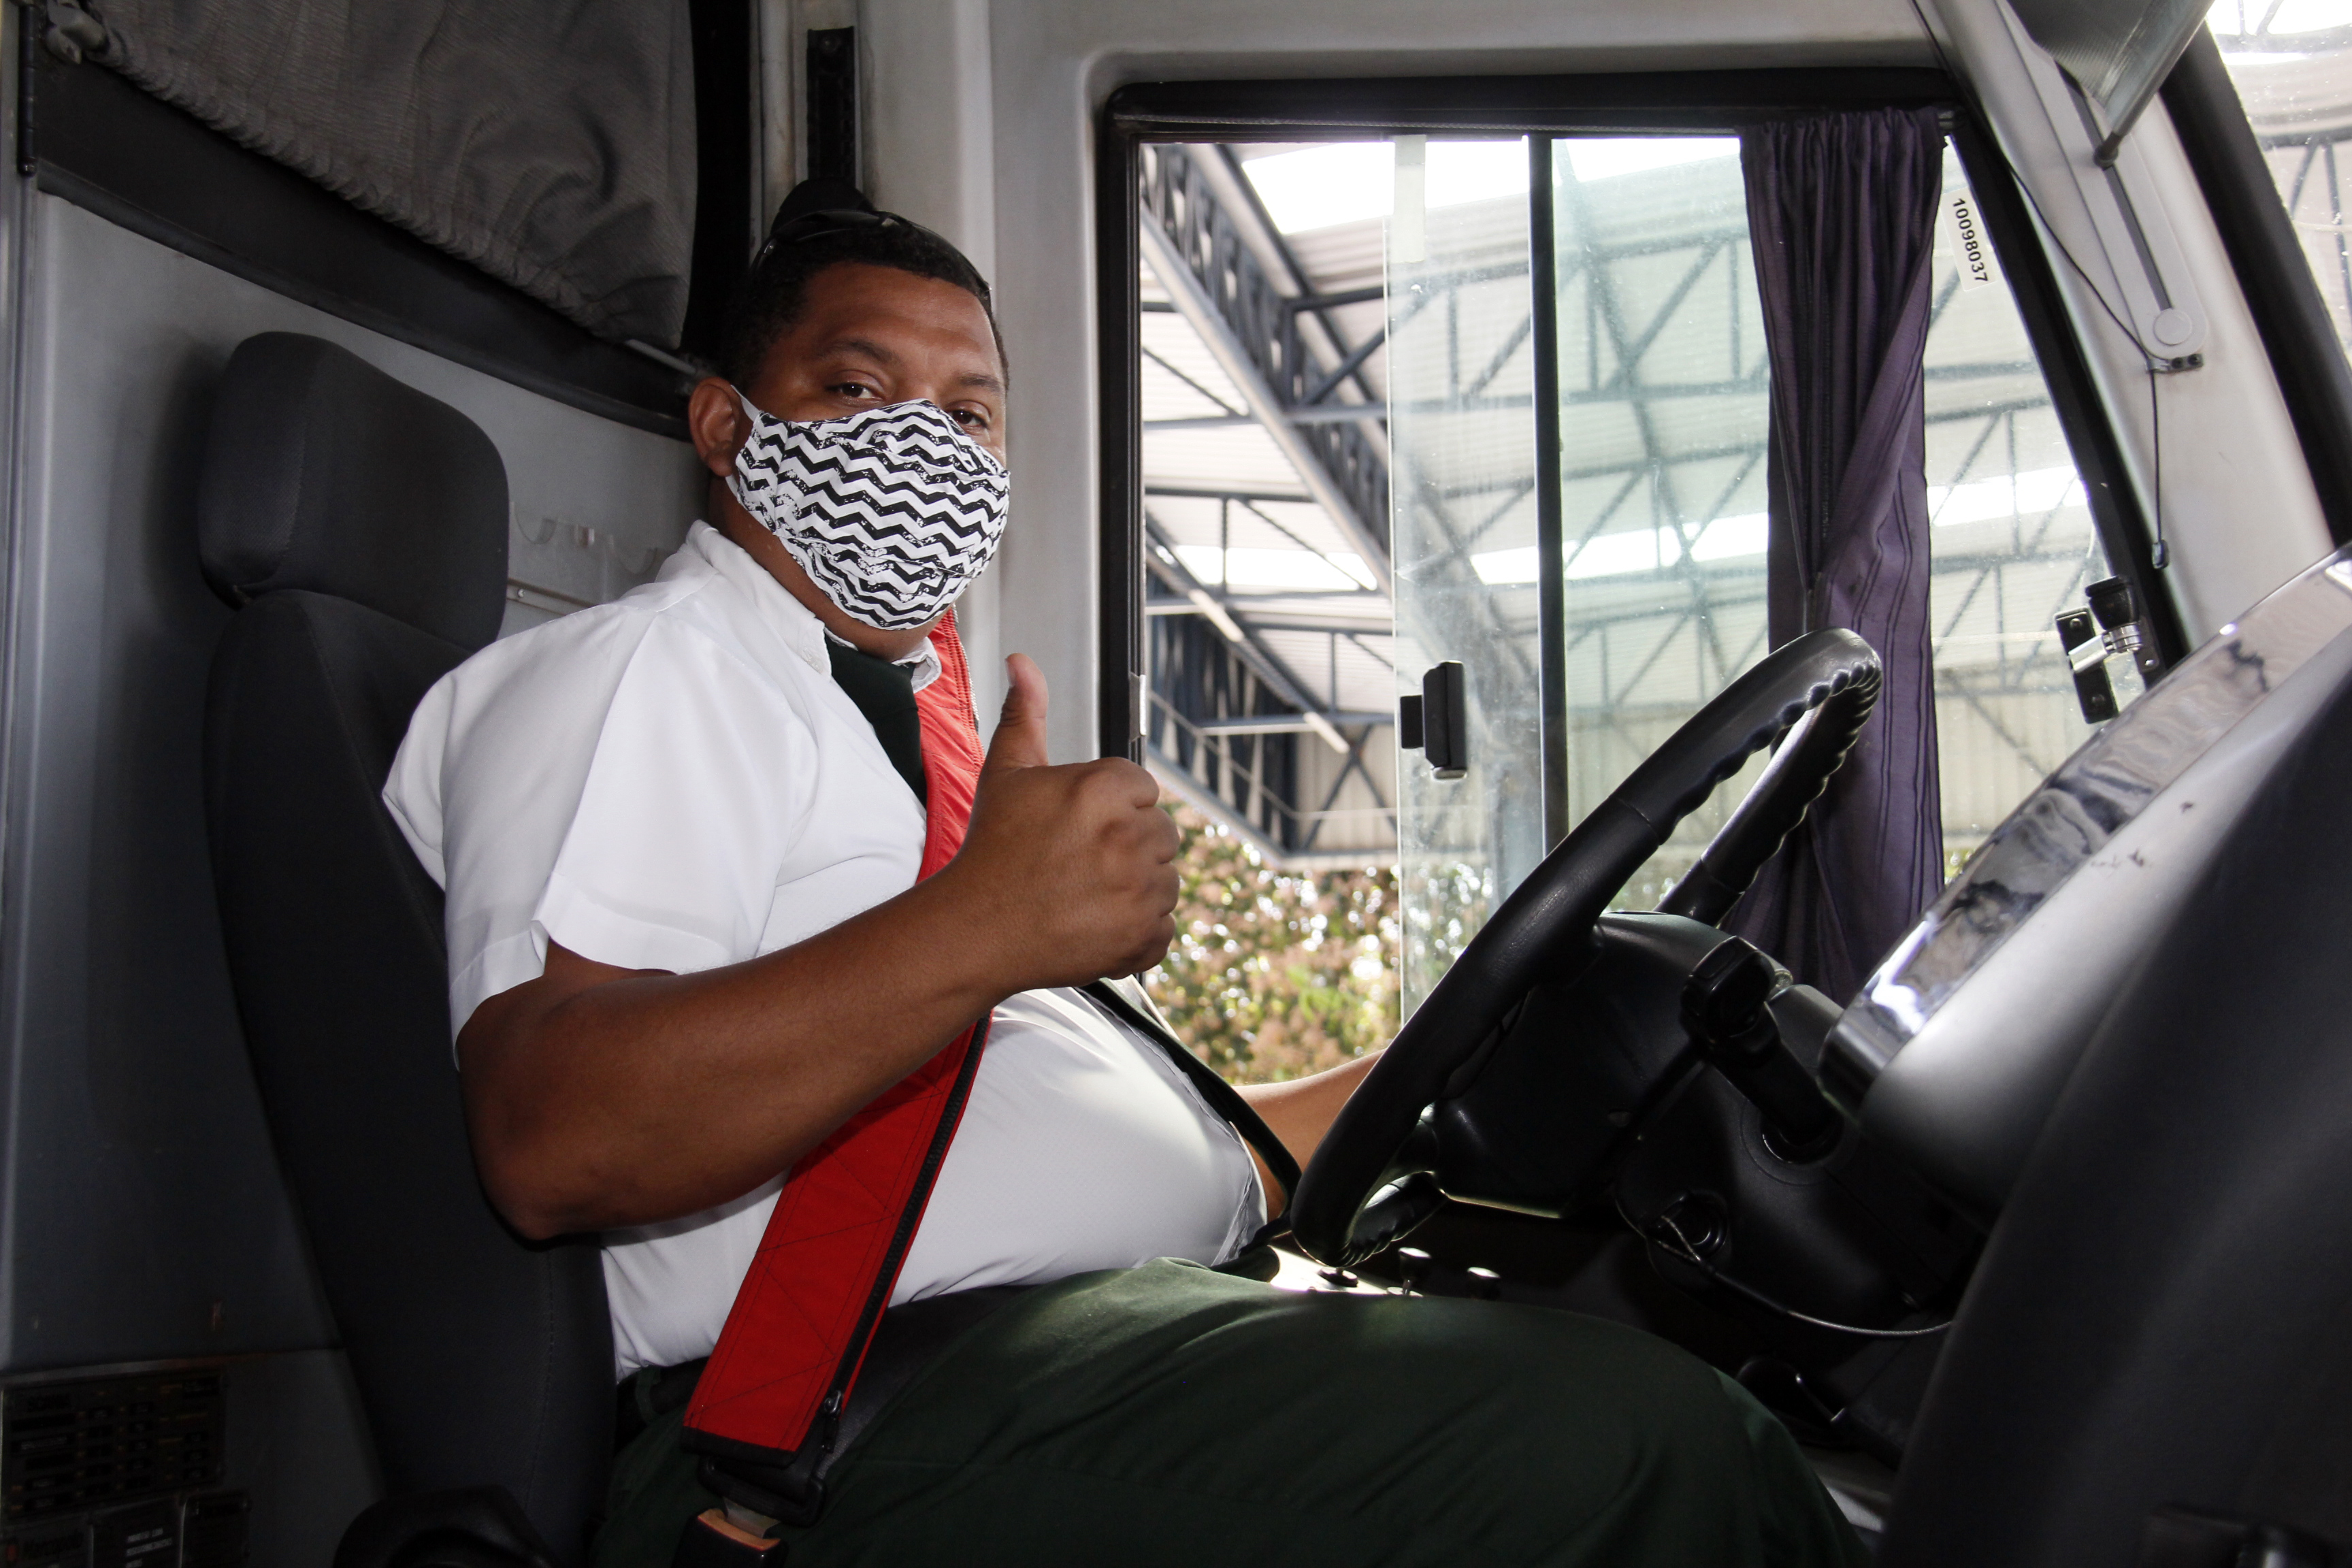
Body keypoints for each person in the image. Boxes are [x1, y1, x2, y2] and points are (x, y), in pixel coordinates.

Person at [382, 179, 1867, 1568]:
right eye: (859, 390)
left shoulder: (895, 727)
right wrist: (984, 926)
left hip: (1091, 1332)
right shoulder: (654, 668)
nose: (923, 447)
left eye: (970, 415)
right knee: (1651, 1450)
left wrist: (1465, 1052)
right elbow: (554, 1137)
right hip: (825, 1428)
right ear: (725, 427)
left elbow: (1067, 1123)